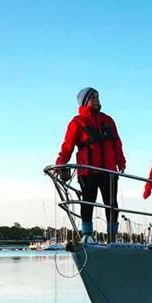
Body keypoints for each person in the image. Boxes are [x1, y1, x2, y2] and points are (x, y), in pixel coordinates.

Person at [56, 87, 126, 240]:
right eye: (93, 97)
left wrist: (121, 162)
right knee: (88, 203)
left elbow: (117, 143)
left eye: (98, 96)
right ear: (85, 101)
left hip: (109, 171)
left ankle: (112, 236)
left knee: (112, 204)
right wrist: (60, 163)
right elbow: (68, 146)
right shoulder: (77, 122)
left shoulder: (108, 120)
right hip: (88, 171)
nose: (97, 99)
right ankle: (87, 235)